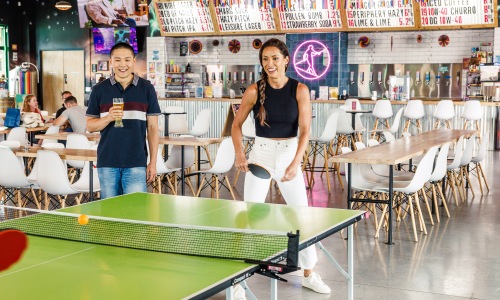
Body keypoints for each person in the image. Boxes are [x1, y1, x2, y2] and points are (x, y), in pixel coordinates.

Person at [231, 38, 331, 294]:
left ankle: (309, 272)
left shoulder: (300, 89)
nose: (270, 63)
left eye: (275, 58)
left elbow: (306, 130)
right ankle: (238, 283)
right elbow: (236, 125)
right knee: (249, 216)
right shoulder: (254, 90)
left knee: (301, 215)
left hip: (289, 153)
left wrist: (296, 161)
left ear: (286, 60)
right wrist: (240, 154)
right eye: (265, 59)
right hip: (261, 155)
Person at [86, 42, 161, 199]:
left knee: (136, 211)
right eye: (118, 60)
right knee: (110, 213)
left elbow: (153, 128)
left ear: (134, 61)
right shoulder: (99, 90)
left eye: (127, 60)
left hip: (136, 161)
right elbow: (90, 126)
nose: (123, 65)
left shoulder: (147, 88)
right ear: (111, 62)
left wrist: (153, 163)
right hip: (107, 161)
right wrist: (108, 118)